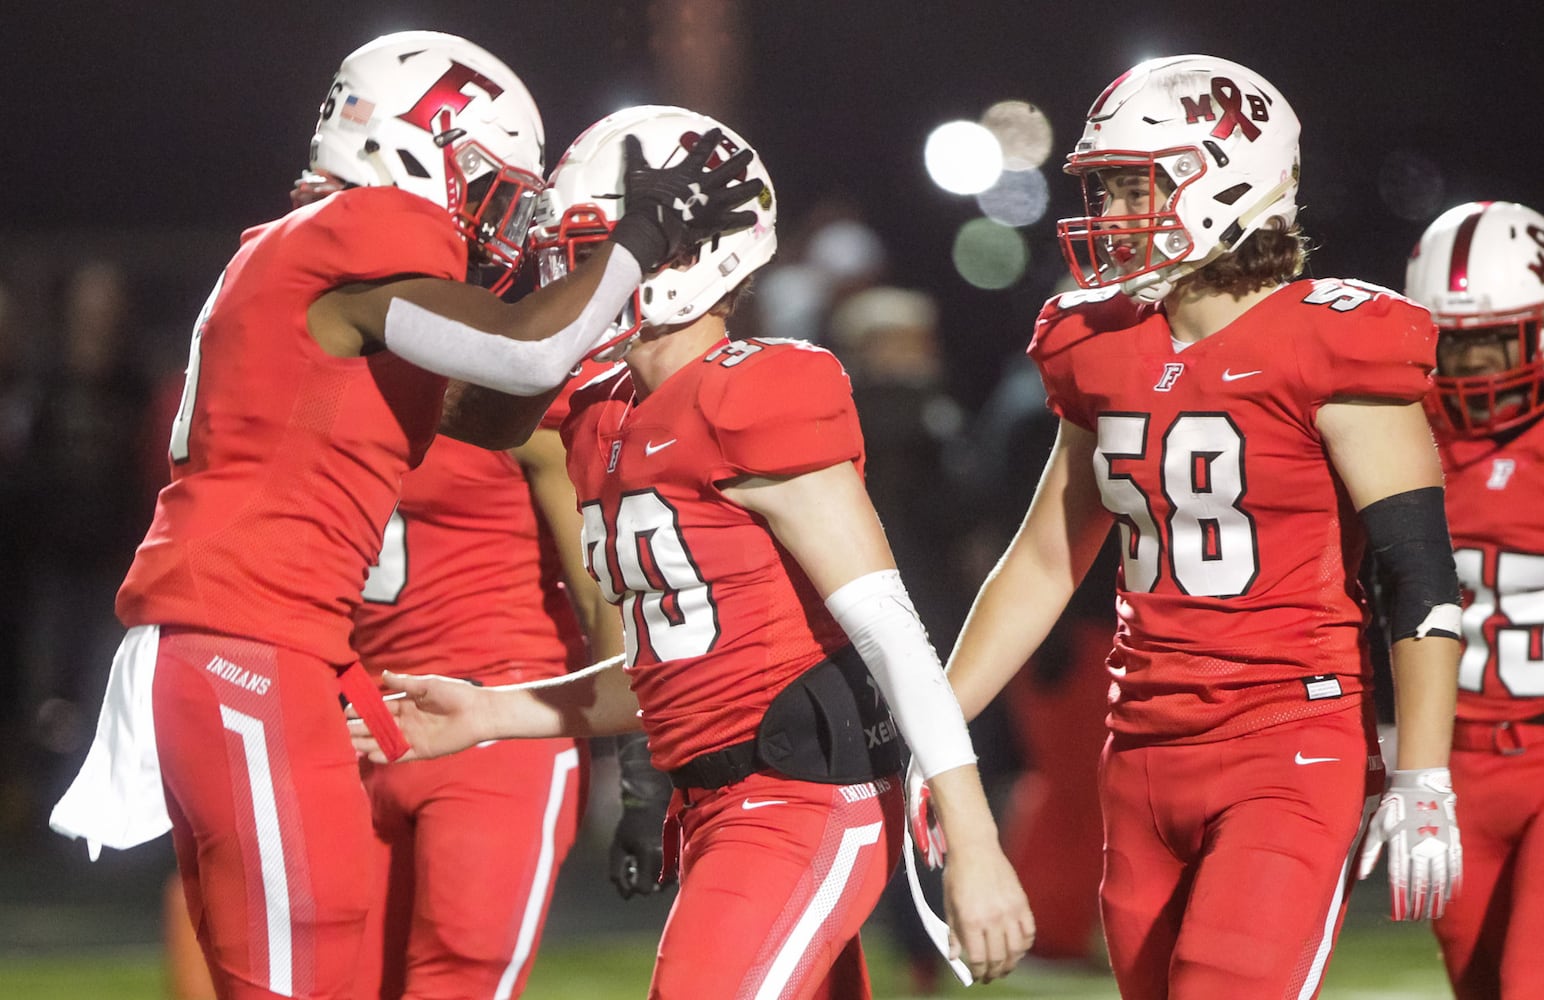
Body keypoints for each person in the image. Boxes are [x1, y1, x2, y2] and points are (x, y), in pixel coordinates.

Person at [48, 31, 762, 1000]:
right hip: (246, 646)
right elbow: (522, 359)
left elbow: (501, 403)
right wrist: (639, 239)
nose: (495, 222)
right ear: (420, 146)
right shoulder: (363, 231)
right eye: (492, 187)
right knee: (305, 972)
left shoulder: (305, 268)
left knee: (333, 960)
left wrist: (585, 303)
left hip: (285, 657)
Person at [351, 104, 1035, 997]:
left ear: (692, 252)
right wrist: (492, 713)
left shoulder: (759, 391)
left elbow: (891, 630)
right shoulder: (601, 415)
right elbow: (673, 667)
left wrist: (972, 842)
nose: (574, 274)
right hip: (713, 808)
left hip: (801, 803)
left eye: (598, 247)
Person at [937, 55, 1464, 999]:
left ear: (1227, 179)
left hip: (1286, 743)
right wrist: (935, 726)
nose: (1111, 214)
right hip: (1138, 746)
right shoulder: (1099, 344)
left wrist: (1424, 773)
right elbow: (1047, 559)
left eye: (1134, 186)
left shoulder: (1336, 338)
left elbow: (1417, 573)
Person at [350, 376, 625, 999]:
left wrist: (631, 764)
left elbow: (603, 583)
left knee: (458, 982)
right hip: (357, 717)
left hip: (498, 719)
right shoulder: (327, 380)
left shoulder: (505, 390)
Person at [1404, 199, 1544, 999]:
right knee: (1484, 984)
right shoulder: (1398, 434)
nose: (1475, 370)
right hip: (1453, 768)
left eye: (1495, 342)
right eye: (1453, 347)